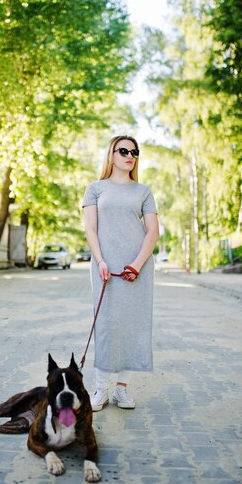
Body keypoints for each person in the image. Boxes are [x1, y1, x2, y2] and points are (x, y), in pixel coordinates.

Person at [82, 135, 159, 411]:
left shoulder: (143, 191)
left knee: (132, 325)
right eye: (124, 150)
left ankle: (122, 389)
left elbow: (153, 232)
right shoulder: (95, 189)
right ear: (111, 154)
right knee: (105, 325)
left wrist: (136, 265)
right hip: (105, 267)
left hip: (137, 267)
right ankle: (101, 388)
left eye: (134, 152)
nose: (130, 155)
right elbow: (90, 229)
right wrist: (100, 260)